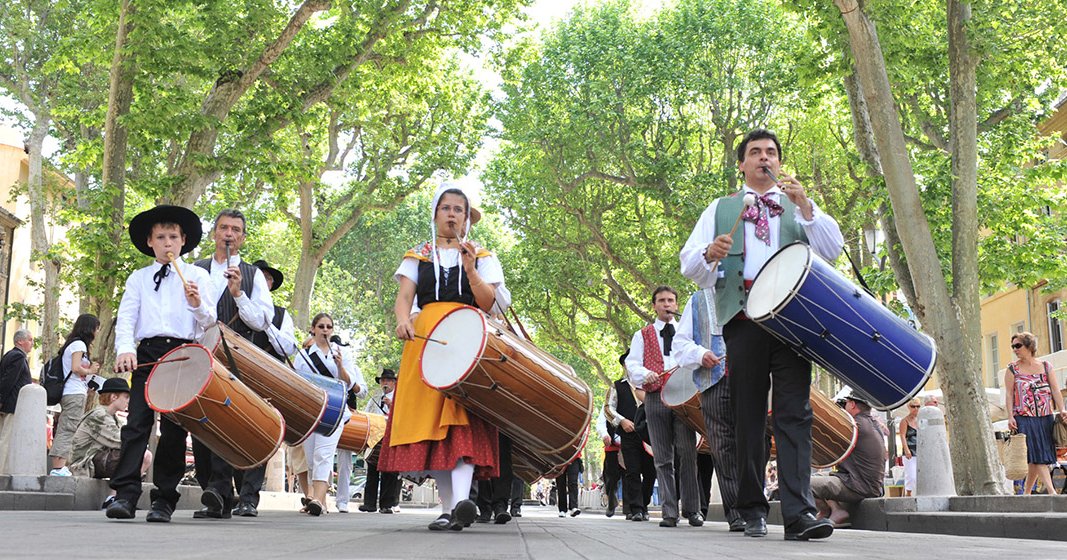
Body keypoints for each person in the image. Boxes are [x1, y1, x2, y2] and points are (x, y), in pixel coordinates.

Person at [680, 128, 844, 540]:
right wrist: (708, 254)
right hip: (743, 320)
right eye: (755, 152)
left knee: (795, 415)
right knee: (748, 417)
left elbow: (832, 250)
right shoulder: (720, 208)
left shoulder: (798, 205)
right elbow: (690, 266)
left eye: (771, 152)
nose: (764, 158)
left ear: (779, 161)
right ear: (742, 164)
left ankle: (799, 515)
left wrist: (806, 206)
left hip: (793, 320)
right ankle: (752, 509)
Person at [379, 183, 505, 531]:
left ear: (467, 219)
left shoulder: (482, 255)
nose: (452, 214)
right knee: (430, 427)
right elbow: (405, 298)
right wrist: (403, 320)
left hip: (468, 342)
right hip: (425, 344)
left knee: (462, 420)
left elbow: (488, 302)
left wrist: (471, 269)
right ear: (435, 214)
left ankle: (461, 503)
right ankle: (450, 508)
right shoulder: (417, 255)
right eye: (446, 208)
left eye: (458, 210)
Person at [105, 204, 217, 522]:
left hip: (182, 355)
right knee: (136, 424)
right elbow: (127, 318)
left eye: (173, 237)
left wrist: (197, 304)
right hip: (148, 354)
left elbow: (210, 323)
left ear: (183, 241)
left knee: (173, 429)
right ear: (150, 242)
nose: (167, 243)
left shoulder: (198, 276)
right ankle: (125, 495)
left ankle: (164, 499)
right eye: (161, 237)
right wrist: (125, 349)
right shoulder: (138, 279)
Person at [191, 209, 275, 519]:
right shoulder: (195, 270)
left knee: (243, 425)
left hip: (240, 359)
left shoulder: (253, 275)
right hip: (201, 356)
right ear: (214, 233)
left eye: (236, 230)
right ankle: (216, 494)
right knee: (201, 424)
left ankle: (243, 495)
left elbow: (261, 321)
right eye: (224, 228)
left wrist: (238, 293)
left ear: (243, 237)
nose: (229, 234)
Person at [625, 286, 703, 528]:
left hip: (683, 398)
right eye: (661, 300)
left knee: (688, 454)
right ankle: (670, 511)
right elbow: (632, 365)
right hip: (655, 397)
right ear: (654, 306)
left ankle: (692, 510)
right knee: (662, 457)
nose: (667, 304)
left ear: (677, 305)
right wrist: (645, 374)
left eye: (670, 300)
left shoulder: (687, 333)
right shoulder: (642, 335)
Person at [673, 287, 744, 531]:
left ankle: (755, 507)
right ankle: (737, 512)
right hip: (713, 383)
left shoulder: (755, 288)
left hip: (751, 380)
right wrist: (700, 353)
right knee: (722, 446)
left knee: (755, 442)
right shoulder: (698, 300)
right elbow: (680, 345)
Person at [294, 313, 367, 515]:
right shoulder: (303, 356)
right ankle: (321, 502)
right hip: (311, 411)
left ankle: (317, 499)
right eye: (321, 326)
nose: (325, 330)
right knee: (311, 458)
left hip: (334, 411)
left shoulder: (343, 353)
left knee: (323, 454)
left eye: (328, 326)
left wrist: (340, 365)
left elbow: (349, 384)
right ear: (313, 329)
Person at [69, 377, 153, 507]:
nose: (129, 401)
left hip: (96, 460)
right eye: (126, 397)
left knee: (141, 454)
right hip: (85, 464)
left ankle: (116, 497)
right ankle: (115, 497)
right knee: (142, 455)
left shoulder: (112, 417)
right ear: (114, 397)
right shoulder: (99, 416)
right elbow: (123, 441)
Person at [811, 390, 887, 527]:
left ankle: (834, 511)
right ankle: (830, 512)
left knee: (803, 482)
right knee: (819, 477)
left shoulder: (854, 426)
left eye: (846, 403)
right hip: (866, 484)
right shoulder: (872, 423)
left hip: (858, 486)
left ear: (852, 404)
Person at [1005, 331, 1066, 495]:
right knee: (1037, 452)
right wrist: (1010, 416)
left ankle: (1026, 493)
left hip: (1045, 417)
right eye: (1013, 346)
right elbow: (1009, 394)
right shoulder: (1012, 369)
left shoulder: (1046, 366)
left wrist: (1062, 409)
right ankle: (1052, 492)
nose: (1015, 349)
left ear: (1029, 346)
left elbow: (1055, 390)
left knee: (1036, 455)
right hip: (1023, 417)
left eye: (1018, 345)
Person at [48, 314, 103, 477]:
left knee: (68, 427)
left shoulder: (74, 343)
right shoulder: (79, 344)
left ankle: (60, 466)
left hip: (74, 391)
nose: (98, 332)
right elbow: (76, 368)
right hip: (73, 393)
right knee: (68, 428)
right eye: (97, 328)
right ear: (90, 328)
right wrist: (90, 370)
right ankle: (58, 468)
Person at [606, 351, 657, 521]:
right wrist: (622, 421)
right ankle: (636, 509)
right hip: (629, 435)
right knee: (632, 471)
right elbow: (608, 408)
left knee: (651, 473)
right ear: (624, 366)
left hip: (650, 434)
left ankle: (644, 504)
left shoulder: (651, 384)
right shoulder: (617, 386)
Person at [360, 368, 401, 514]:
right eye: (383, 380)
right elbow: (366, 414)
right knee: (372, 471)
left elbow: (403, 415)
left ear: (394, 383)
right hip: (375, 438)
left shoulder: (399, 397)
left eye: (388, 380)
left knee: (389, 472)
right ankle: (369, 503)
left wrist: (391, 405)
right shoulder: (375, 398)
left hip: (392, 436)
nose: (385, 383)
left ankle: (387, 505)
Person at [0, 329, 34, 470]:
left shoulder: (10, 355)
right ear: (20, 341)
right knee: (6, 440)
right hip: (11, 405)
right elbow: (8, 381)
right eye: (30, 340)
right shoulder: (18, 357)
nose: (32, 343)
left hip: (7, 403)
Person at [595, 402, 623, 517]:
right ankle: (612, 500)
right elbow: (601, 422)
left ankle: (631, 508)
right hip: (612, 447)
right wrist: (605, 435)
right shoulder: (608, 405)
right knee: (610, 477)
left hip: (630, 446)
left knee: (630, 476)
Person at [898, 397, 921, 496]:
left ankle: (917, 494)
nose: (916, 408)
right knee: (911, 475)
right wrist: (906, 450)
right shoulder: (904, 420)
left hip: (921, 451)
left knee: (920, 476)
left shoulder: (921, 419)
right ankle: (908, 493)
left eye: (918, 406)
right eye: (913, 406)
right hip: (910, 451)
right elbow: (902, 436)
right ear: (909, 407)